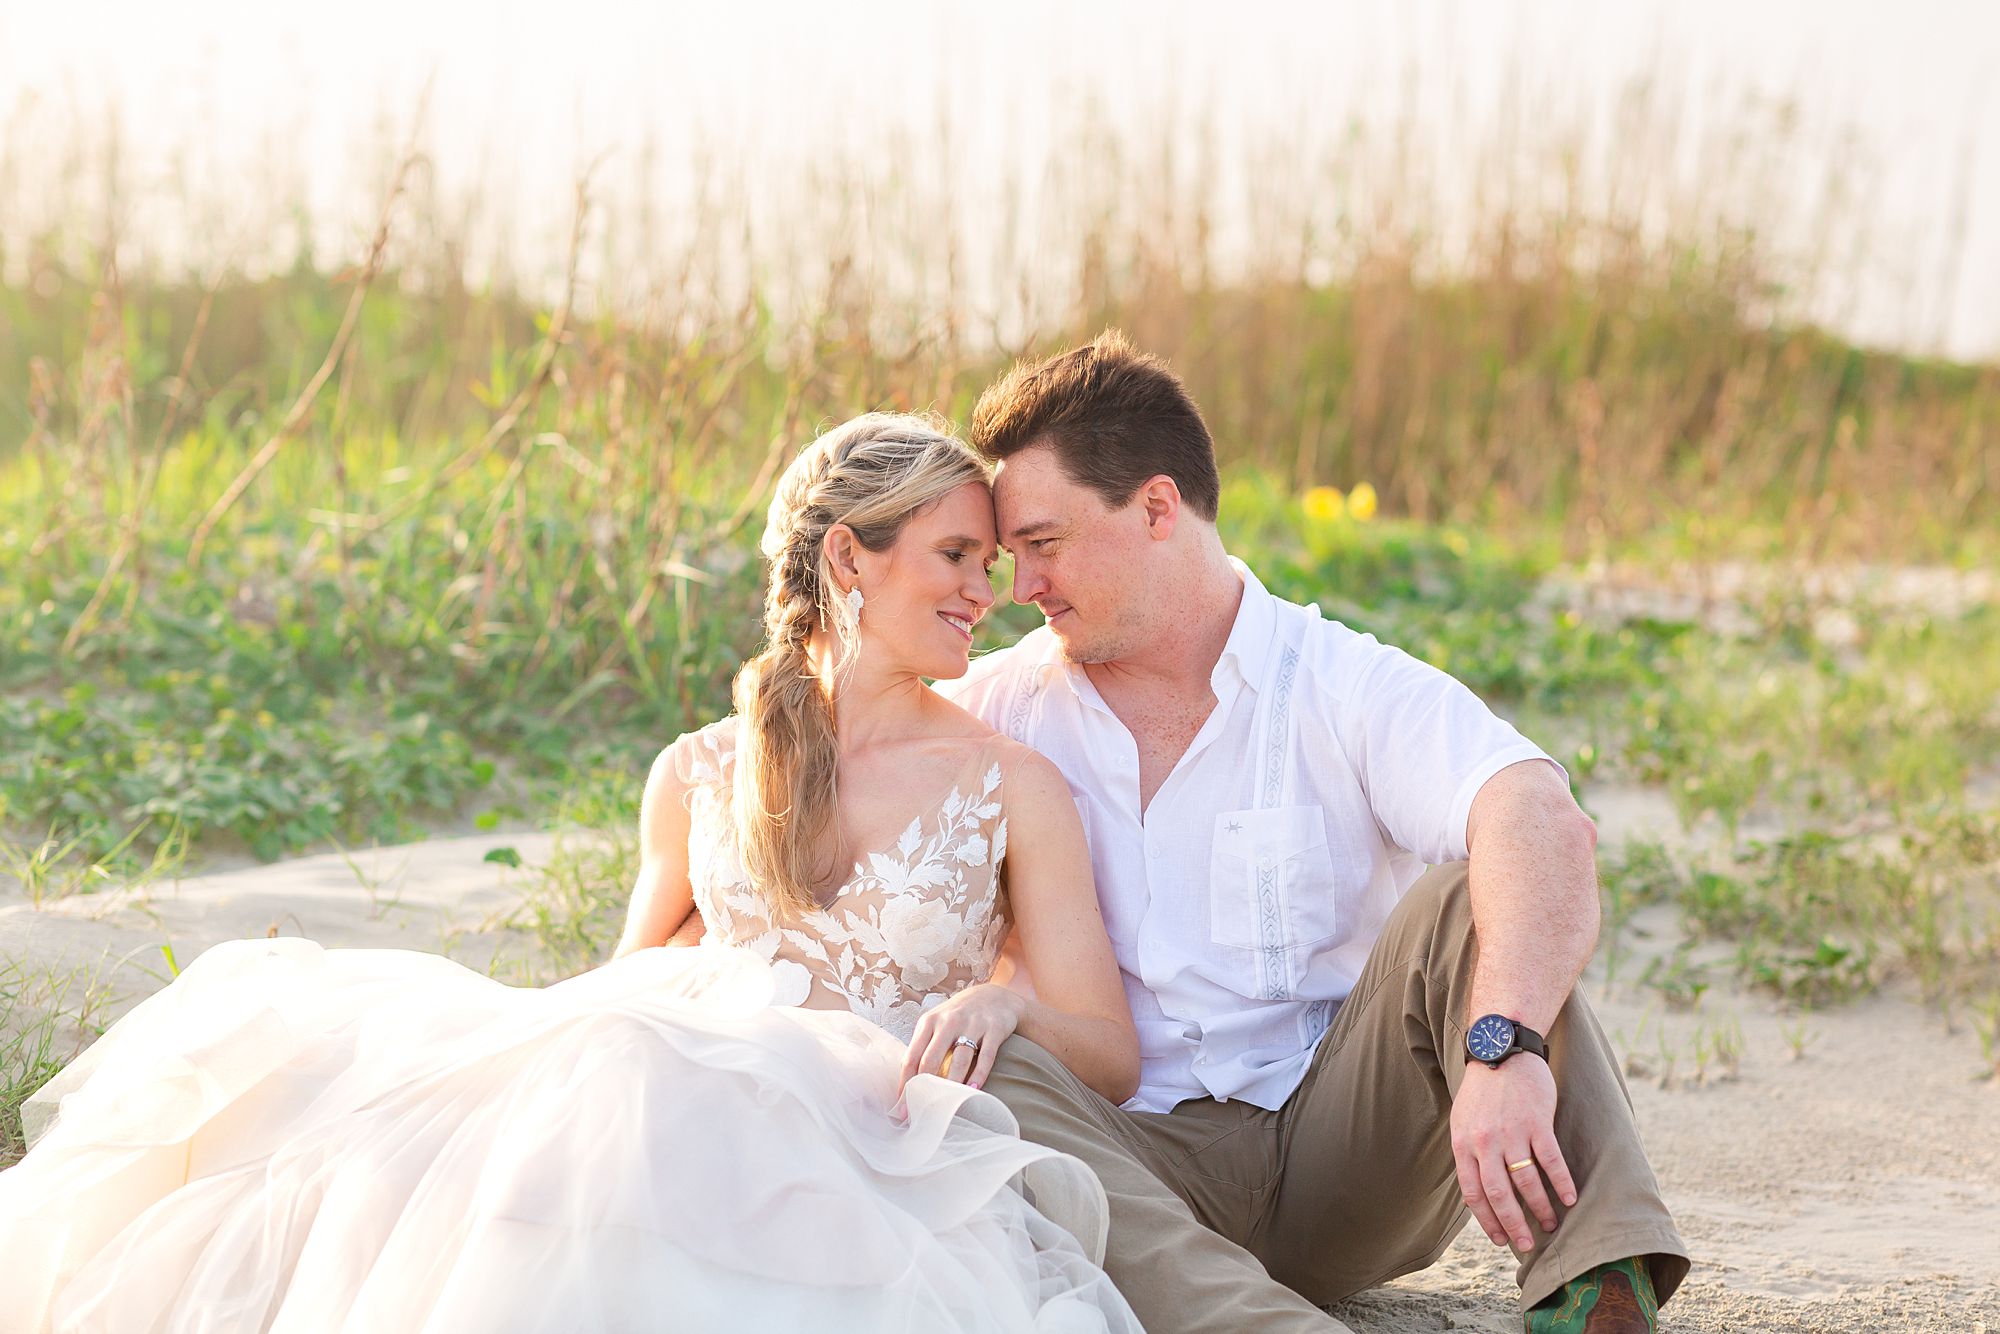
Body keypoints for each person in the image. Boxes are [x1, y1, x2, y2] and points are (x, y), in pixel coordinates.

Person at [0, 415, 1147, 1334]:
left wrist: (1008, 998)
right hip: (661, 1107)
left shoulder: (1010, 784)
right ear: (850, 554)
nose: (981, 590)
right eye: (954, 555)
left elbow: (1107, 1047)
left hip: (871, 1147)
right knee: (583, 1074)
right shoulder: (698, 771)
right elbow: (619, 991)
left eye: (989, 563)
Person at [935, 332, 1692, 1334]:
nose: (1021, 583)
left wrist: (1502, 1048)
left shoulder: (1335, 680)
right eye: (1009, 553)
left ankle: (1593, 1289)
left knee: (1470, 896)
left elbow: (1537, 817)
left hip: (1340, 1154)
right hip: (1127, 1169)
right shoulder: (995, 709)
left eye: (1043, 541)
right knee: (984, 1067)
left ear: (1156, 508)